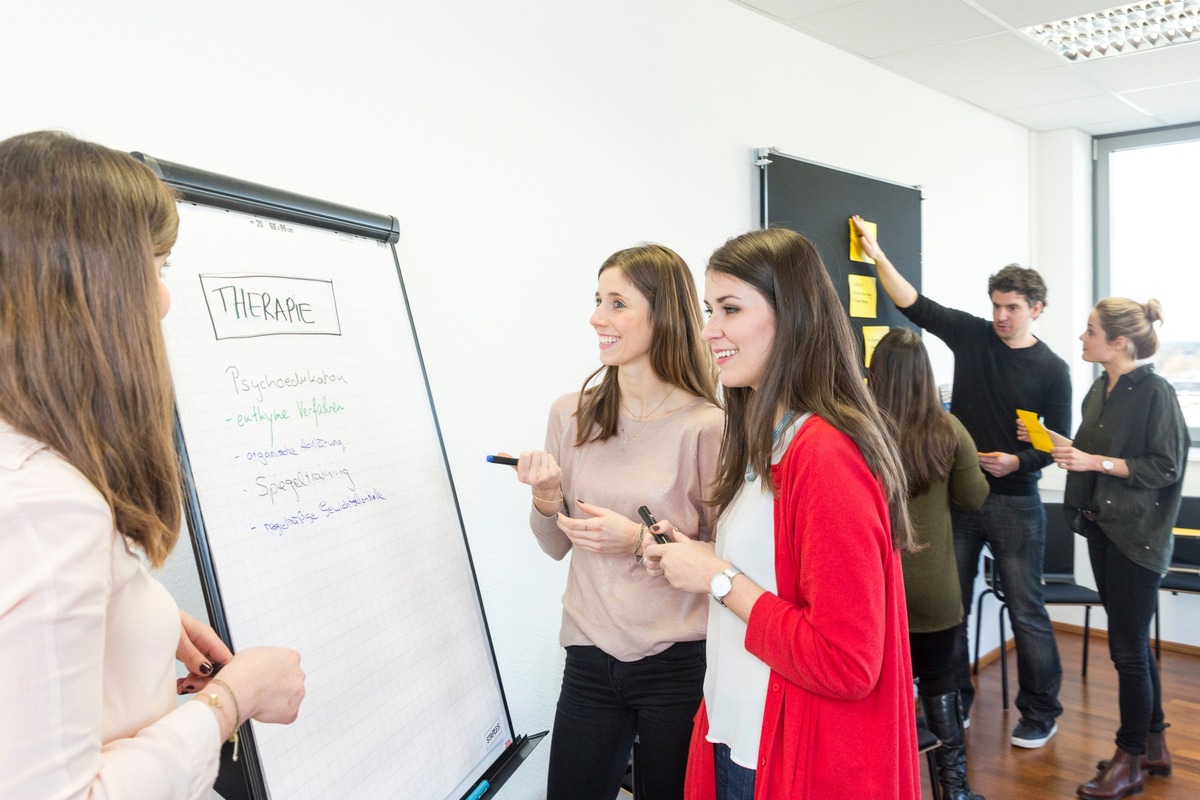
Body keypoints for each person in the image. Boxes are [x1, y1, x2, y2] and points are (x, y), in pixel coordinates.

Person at [0, 131, 306, 799]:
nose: (163, 299)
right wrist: (233, 698)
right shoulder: (46, 506)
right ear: (85, 283)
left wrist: (139, 613)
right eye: (156, 267)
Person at [646, 227, 920, 800]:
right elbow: (774, 579)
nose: (709, 329)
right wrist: (697, 559)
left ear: (790, 317)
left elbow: (846, 662)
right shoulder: (767, 440)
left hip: (782, 754)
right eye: (708, 309)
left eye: (730, 309)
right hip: (741, 735)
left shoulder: (824, 454)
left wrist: (717, 579)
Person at [501, 243, 723, 800]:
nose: (597, 317)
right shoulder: (570, 414)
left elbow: (725, 558)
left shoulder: (707, 426)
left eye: (617, 302)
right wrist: (548, 498)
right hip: (589, 652)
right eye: (598, 299)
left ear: (663, 314)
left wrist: (638, 541)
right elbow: (555, 546)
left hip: (680, 661)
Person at [853, 215, 1071, 749]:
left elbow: (1056, 447)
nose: (1000, 315)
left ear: (1036, 310)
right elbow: (914, 305)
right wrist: (877, 254)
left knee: (1027, 609)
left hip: (1017, 502)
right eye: (996, 304)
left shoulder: (1054, 370)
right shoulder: (974, 336)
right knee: (954, 608)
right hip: (961, 500)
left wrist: (1020, 462)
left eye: (1012, 307)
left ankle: (1041, 710)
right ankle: (954, 703)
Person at [1035, 298, 1188, 799]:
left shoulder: (1156, 392)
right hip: (1102, 528)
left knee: (1125, 652)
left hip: (1137, 537)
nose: (1081, 337)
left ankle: (1130, 761)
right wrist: (1060, 446)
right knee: (1133, 645)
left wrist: (1094, 462)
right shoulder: (1100, 389)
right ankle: (1155, 745)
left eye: (1090, 330)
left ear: (1118, 342)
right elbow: (1092, 453)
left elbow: (1163, 467)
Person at [869, 328, 990, 800]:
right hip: (935, 587)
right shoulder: (949, 429)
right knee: (941, 687)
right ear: (926, 376)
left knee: (880, 696)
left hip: (877, 588)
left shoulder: (859, 430)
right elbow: (973, 497)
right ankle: (954, 791)